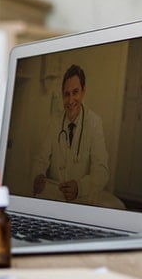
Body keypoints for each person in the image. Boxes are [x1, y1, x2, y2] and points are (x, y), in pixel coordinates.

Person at [31, 64, 109, 203]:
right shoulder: (55, 122)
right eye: (66, 94)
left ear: (83, 92)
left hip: (81, 199)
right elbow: (41, 159)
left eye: (75, 92)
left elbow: (102, 171)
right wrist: (38, 175)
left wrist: (80, 187)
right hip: (56, 195)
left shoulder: (94, 123)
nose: (70, 100)